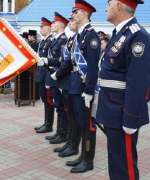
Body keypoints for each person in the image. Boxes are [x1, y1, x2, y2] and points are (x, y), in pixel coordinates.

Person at [96, 0, 150, 179]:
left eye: (109, 4)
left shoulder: (137, 35)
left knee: (124, 166)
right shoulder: (120, 34)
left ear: (118, 6)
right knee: (115, 160)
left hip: (122, 112)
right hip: (111, 109)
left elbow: (138, 81)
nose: (106, 8)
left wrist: (131, 119)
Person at [65, 0, 100, 173]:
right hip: (76, 84)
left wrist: (89, 89)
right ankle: (82, 154)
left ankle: (88, 160)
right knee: (80, 121)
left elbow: (93, 66)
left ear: (85, 13)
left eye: (76, 11)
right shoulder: (80, 35)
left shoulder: (91, 35)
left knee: (88, 124)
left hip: (84, 86)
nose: (73, 15)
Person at [50, 16, 80, 158]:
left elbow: (68, 62)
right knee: (69, 111)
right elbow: (65, 60)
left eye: (72, 20)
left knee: (75, 114)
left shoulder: (85, 37)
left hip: (72, 80)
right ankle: (68, 140)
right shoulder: (72, 38)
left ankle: (72, 144)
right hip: (68, 79)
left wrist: (58, 73)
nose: (70, 23)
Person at [40, 12, 69, 144]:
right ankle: (59, 131)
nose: (52, 25)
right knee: (58, 105)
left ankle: (63, 133)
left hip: (58, 77)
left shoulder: (63, 40)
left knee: (61, 106)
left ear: (61, 25)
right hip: (52, 76)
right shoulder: (56, 39)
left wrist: (55, 72)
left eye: (55, 23)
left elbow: (63, 61)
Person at [34, 17, 54, 133]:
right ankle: (46, 122)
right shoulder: (43, 41)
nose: (40, 29)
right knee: (44, 100)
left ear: (48, 28)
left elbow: (50, 60)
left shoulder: (50, 41)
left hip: (46, 74)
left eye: (42, 27)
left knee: (48, 100)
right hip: (40, 74)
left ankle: (49, 124)